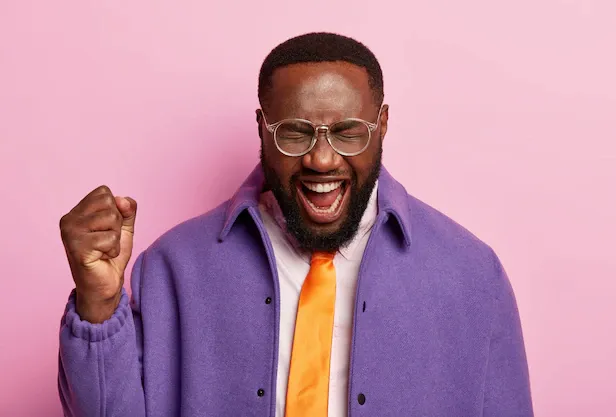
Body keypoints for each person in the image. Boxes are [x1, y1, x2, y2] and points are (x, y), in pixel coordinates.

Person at [57, 32, 534, 417]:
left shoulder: (472, 275)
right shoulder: (171, 268)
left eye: (348, 132)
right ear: (263, 127)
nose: (322, 159)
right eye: (294, 133)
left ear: (382, 125)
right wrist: (98, 304)